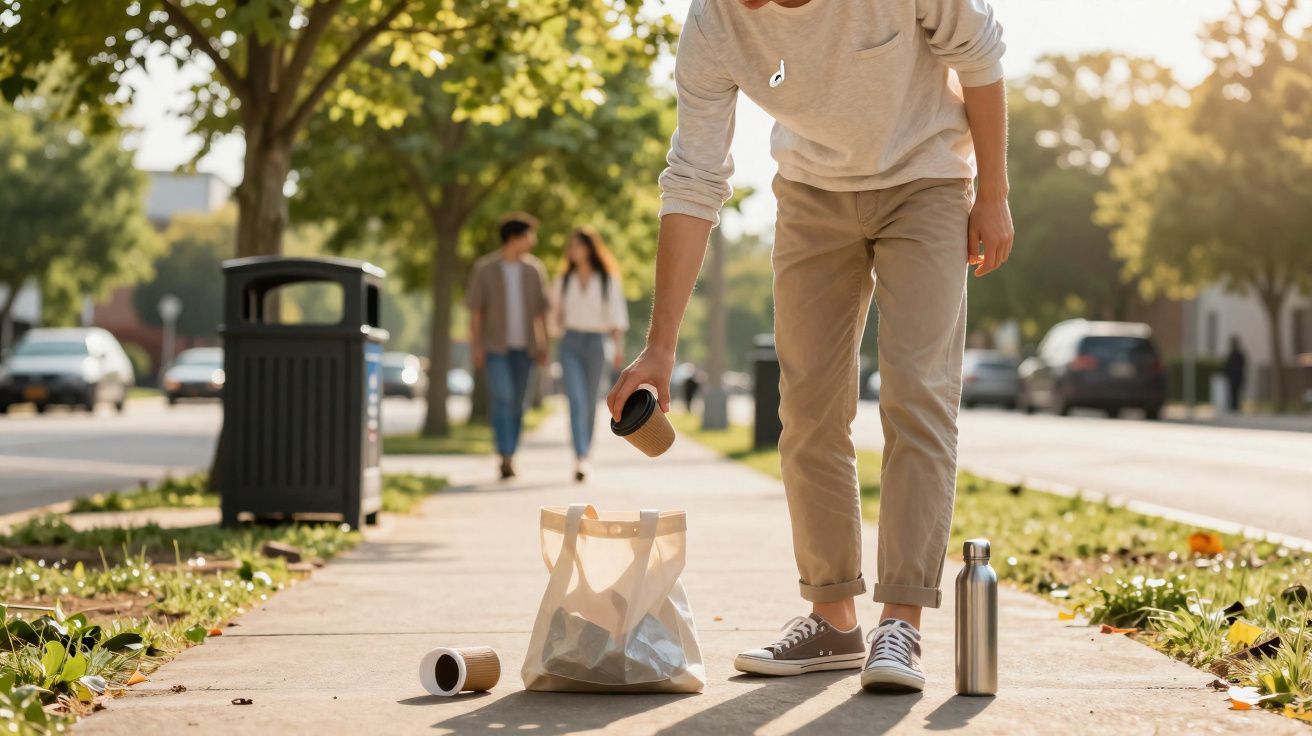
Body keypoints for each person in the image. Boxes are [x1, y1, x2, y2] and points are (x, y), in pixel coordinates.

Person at [608, 0, 1013, 694]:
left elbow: (981, 56)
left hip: (928, 180)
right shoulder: (714, 23)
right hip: (810, 194)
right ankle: (833, 618)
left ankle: (901, 622)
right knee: (808, 411)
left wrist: (995, 194)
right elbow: (694, 176)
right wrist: (660, 348)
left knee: (917, 392)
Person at [467, 213, 550, 480]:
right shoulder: (485, 269)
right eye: (529, 235)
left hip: (525, 350)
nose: (533, 241)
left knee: (518, 404)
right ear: (514, 238)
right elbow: (476, 312)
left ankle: (511, 454)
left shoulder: (534, 270)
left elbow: (540, 313)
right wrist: (476, 346)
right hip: (495, 348)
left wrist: (543, 344)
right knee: (502, 399)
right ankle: (503, 453)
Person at [553, 226, 629, 482]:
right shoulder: (563, 281)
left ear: (589, 248)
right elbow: (554, 316)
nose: (573, 251)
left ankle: (586, 454)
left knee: (591, 401)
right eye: (571, 246)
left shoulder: (608, 279)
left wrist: (618, 350)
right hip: (571, 341)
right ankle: (580, 457)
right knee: (575, 399)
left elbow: (617, 318)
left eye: (578, 245)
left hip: (598, 343)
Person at [1223, 336, 1246, 414]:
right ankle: (1234, 407)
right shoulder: (1237, 354)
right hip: (1235, 377)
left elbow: (1228, 366)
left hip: (1235, 377)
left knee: (1235, 392)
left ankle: (1235, 407)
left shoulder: (1235, 354)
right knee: (1234, 393)